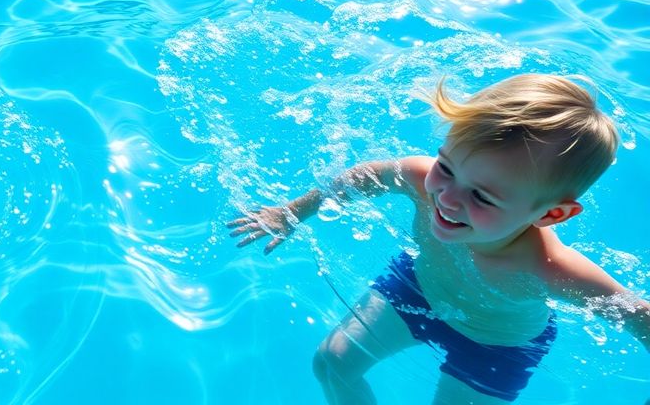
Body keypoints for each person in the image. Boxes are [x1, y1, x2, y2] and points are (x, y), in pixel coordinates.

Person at [228, 74, 650, 404]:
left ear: (550, 214)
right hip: (415, 288)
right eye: (446, 167)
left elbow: (638, 315)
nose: (446, 197)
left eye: (482, 196)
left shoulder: (548, 269)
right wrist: (292, 212)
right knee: (331, 362)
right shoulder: (420, 178)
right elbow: (362, 177)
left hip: (496, 346)